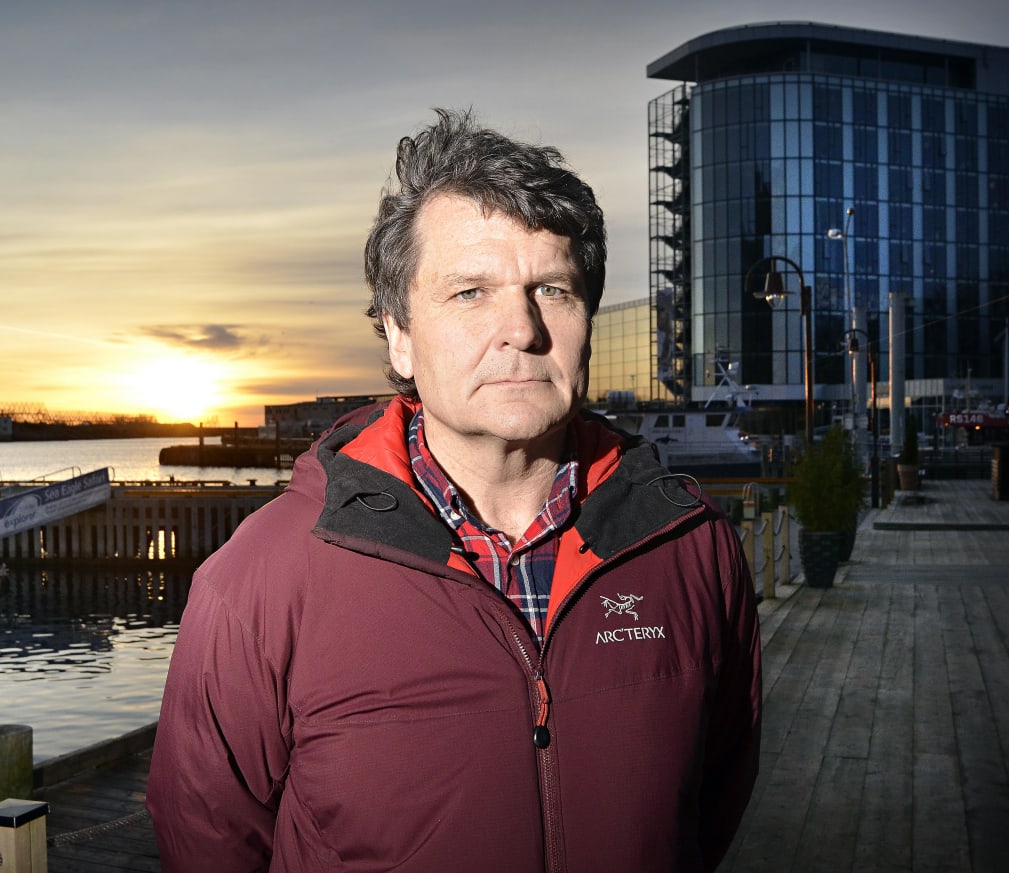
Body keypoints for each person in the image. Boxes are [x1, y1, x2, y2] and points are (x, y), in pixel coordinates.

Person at [147, 108, 761, 872]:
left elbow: (707, 804)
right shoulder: (264, 581)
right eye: (471, 292)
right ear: (400, 336)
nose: (522, 329)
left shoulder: (692, 548)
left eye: (553, 290)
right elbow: (206, 835)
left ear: (588, 320)